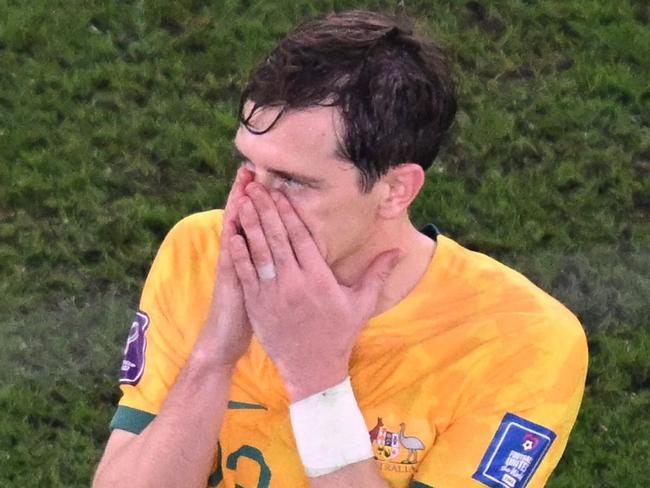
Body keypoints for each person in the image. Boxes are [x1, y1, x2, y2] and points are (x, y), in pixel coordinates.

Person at [93, 10, 588, 488]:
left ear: (395, 191)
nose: (248, 204)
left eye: (290, 181)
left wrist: (316, 379)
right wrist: (216, 355)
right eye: (248, 165)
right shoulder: (199, 250)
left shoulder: (523, 342)